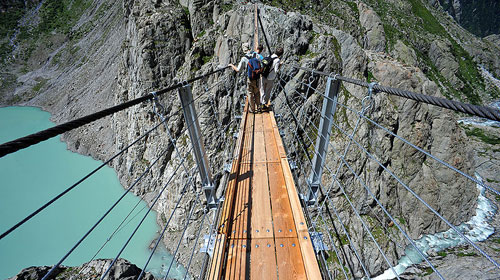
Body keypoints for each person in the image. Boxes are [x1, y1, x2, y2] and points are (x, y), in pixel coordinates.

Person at [229, 43, 262, 113]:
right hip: (257, 77)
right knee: (257, 92)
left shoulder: (244, 59)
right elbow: (260, 64)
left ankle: (252, 109)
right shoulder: (256, 55)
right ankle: (259, 107)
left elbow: (238, 70)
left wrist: (232, 65)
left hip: (250, 78)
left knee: (250, 93)